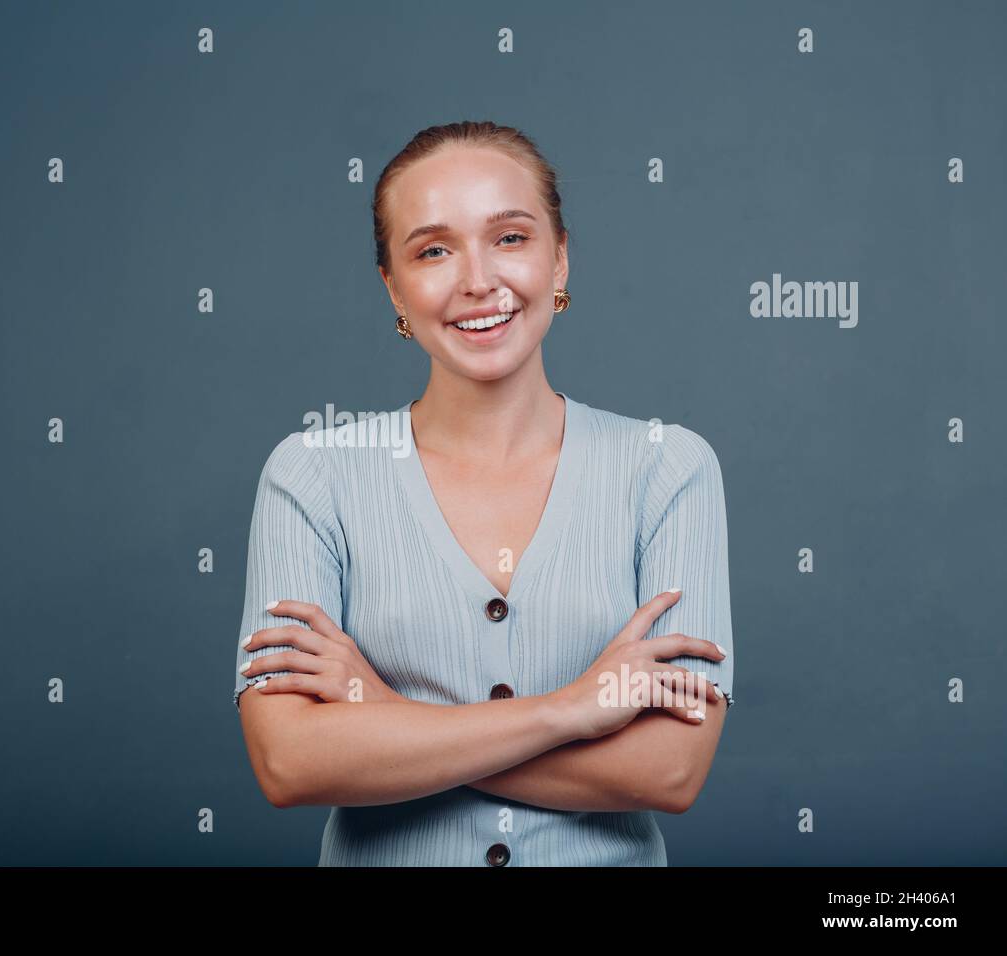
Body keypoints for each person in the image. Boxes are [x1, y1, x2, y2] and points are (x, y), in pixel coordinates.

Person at [232, 120, 734, 866]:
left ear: (560, 259)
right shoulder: (311, 473)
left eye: (510, 237)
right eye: (433, 250)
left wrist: (387, 717)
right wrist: (572, 711)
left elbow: (668, 770)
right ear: (392, 287)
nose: (477, 280)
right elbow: (291, 763)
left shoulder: (668, 468)